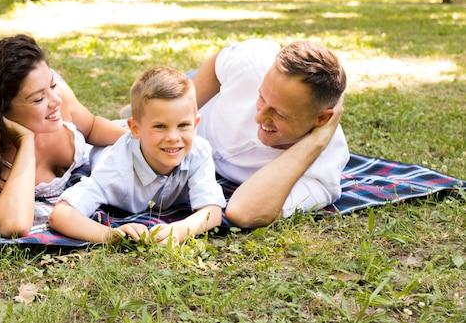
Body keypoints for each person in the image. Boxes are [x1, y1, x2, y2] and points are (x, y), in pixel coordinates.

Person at [0, 34, 126, 238]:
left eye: (53, 84)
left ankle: (131, 118)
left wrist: (140, 136)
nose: (56, 100)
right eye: (38, 99)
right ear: (0, 112)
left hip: (107, 151)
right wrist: (25, 141)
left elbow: (91, 127)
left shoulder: (58, 98)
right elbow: (15, 225)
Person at [49, 67, 226, 244]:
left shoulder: (198, 151)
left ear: (195, 125)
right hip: (101, 146)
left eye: (183, 125)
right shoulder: (115, 169)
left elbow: (212, 211)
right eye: (160, 126)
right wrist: (113, 235)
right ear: (136, 128)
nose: (173, 137)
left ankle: (146, 120)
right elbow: (62, 215)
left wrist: (181, 229)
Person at [191, 38, 349, 228]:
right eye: (261, 98)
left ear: (322, 119)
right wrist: (180, 116)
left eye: (279, 113)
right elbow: (218, 64)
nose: (259, 118)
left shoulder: (323, 170)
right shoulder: (253, 62)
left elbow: (243, 212)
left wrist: (318, 140)